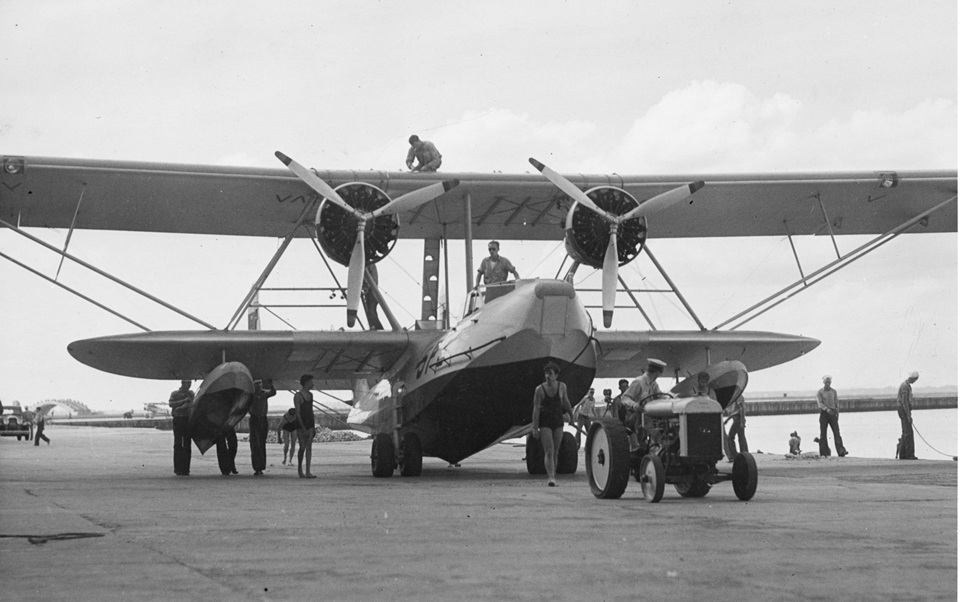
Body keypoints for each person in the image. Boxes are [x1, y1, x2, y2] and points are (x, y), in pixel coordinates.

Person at [531, 362, 575, 487]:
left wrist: (571, 416)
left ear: (556, 375)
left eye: (550, 374)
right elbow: (536, 409)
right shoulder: (539, 390)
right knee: (549, 451)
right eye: (546, 373)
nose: (547, 376)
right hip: (545, 422)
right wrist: (535, 427)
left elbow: (566, 402)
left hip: (558, 422)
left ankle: (553, 474)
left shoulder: (562, 387)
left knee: (556, 451)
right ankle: (551, 477)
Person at [620, 358, 667, 450]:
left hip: (650, 416)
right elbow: (624, 398)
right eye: (660, 373)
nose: (659, 375)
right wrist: (634, 405)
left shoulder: (653, 384)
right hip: (638, 417)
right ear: (657, 372)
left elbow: (661, 396)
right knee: (654, 434)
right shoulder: (639, 382)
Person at [249, 379, 276, 475]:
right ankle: (257, 467)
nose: (258, 386)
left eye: (259, 384)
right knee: (255, 443)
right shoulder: (251, 395)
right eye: (256, 384)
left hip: (262, 419)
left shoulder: (264, 394)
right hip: (254, 419)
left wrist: (271, 385)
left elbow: (273, 392)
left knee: (261, 443)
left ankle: (260, 466)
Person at [816, 375, 848, 457]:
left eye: (829, 382)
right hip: (824, 413)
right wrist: (827, 409)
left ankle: (841, 451)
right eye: (826, 382)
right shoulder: (819, 392)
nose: (828, 384)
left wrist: (837, 414)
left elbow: (836, 403)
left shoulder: (834, 391)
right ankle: (824, 452)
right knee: (823, 434)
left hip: (833, 413)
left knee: (837, 433)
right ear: (823, 382)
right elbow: (820, 403)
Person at [168, 380, 194, 476]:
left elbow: (191, 404)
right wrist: (183, 401)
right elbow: (171, 404)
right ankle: (178, 468)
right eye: (188, 383)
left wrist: (180, 407)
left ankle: (186, 469)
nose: (189, 385)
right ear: (183, 383)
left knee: (187, 444)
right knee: (178, 444)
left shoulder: (190, 394)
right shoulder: (175, 394)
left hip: (186, 419)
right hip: (178, 419)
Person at [293, 374, 317, 478]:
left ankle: (308, 471)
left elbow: (311, 411)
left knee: (309, 447)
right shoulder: (298, 396)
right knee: (302, 447)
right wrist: (303, 427)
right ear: (306, 382)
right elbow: (298, 413)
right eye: (311, 382)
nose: (313, 384)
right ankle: (300, 470)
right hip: (301, 423)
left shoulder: (311, 395)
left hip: (310, 423)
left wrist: (313, 425)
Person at [897, 371, 920, 460]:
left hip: (903, 410)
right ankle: (909, 454)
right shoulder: (905, 386)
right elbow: (904, 402)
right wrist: (908, 415)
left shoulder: (906, 385)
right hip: (903, 411)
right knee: (908, 433)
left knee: (905, 432)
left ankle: (903, 454)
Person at [723, 395, 748, 461]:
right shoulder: (736, 396)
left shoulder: (738, 396)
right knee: (741, 437)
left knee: (730, 438)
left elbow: (741, 409)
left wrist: (742, 421)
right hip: (737, 418)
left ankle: (734, 455)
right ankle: (745, 455)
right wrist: (727, 420)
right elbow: (734, 412)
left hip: (738, 418)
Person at [361, 264, 384, 331]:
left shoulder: (369, 264)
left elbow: (369, 279)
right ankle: (374, 326)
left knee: (371, 311)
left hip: (372, 293)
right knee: (370, 311)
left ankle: (378, 328)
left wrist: (366, 286)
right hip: (371, 292)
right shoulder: (370, 264)